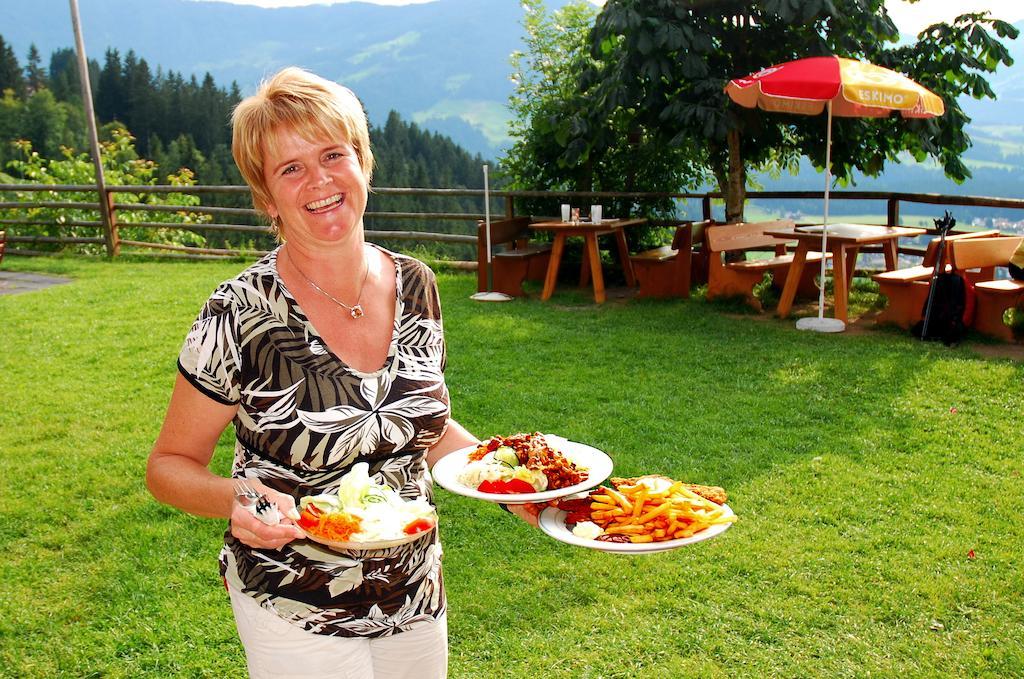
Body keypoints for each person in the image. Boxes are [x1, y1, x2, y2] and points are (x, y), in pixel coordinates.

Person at [146, 67, 534, 679]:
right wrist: (237, 498)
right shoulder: (238, 312)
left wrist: (519, 485)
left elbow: (423, 427)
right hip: (293, 600)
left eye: (333, 154)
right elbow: (168, 466)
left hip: (415, 591)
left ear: (363, 164)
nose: (320, 179)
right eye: (290, 167)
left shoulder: (416, 285)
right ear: (266, 198)